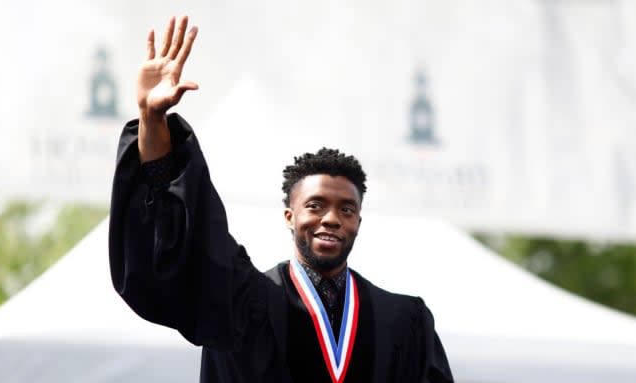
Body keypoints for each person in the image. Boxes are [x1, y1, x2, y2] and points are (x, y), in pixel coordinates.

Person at [109, 15, 454, 383]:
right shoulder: (242, 302)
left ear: (358, 222)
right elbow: (183, 244)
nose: (332, 218)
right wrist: (152, 120)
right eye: (316, 205)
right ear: (290, 216)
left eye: (346, 209)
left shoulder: (403, 319)